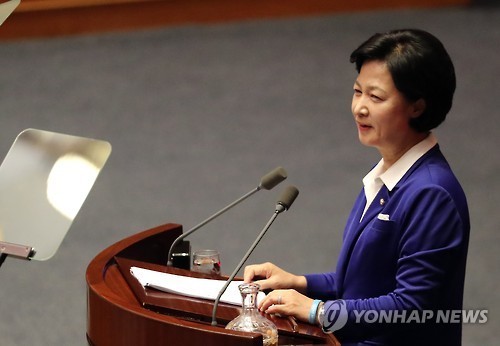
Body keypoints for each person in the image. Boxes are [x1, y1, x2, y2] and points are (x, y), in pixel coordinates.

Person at [244, 29, 470, 346]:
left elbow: (411, 308)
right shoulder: (382, 176)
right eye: (357, 91)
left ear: (417, 106)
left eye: (375, 97)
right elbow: (365, 284)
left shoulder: (432, 193)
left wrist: (318, 311)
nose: (359, 108)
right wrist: (301, 282)